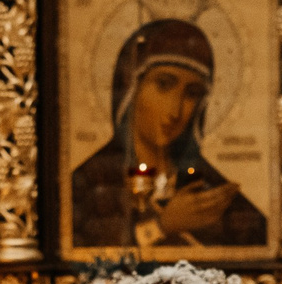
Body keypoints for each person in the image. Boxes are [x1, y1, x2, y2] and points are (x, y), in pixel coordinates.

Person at [68, 19, 267, 252]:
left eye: (192, 94)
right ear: (131, 87)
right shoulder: (89, 181)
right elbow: (85, 256)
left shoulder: (211, 191)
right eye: (163, 85)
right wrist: (162, 226)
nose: (175, 110)